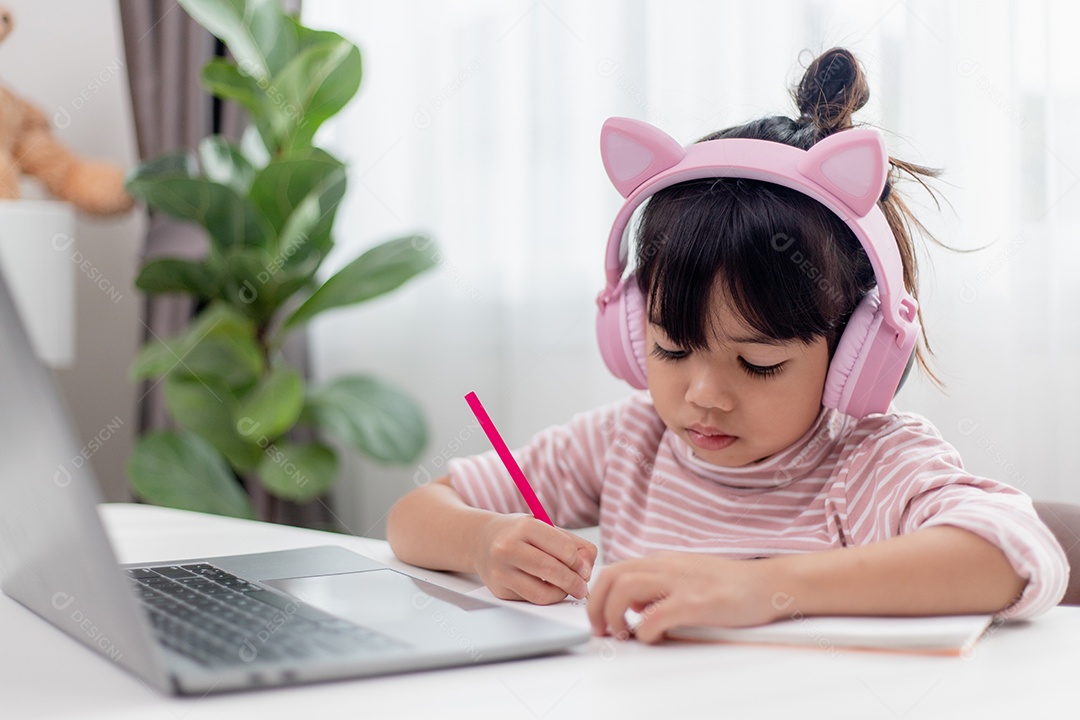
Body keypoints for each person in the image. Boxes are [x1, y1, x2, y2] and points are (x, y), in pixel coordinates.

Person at [386, 48, 1068, 644]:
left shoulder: (866, 462)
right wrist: (483, 544)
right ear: (630, 329)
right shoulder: (629, 443)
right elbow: (415, 515)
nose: (704, 397)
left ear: (856, 353)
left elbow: (1019, 553)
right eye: (673, 351)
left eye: (759, 363)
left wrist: (765, 590)